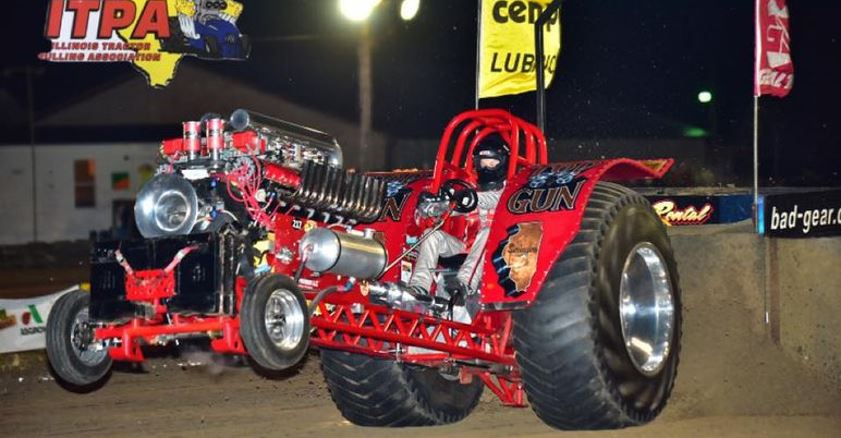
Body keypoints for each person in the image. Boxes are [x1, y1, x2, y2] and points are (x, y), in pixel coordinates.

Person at [408, 135, 510, 300]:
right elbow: (456, 208)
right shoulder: (472, 191)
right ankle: (419, 287)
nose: (486, 167)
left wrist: (466, 197)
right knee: (431, 234)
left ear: (503, 162)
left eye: (492, 162)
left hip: (501, 249)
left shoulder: (509, 191)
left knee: (488, 232)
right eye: (482, 162)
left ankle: (464, 283)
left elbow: (490, 200)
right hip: (467, 247)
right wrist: (435, 206)